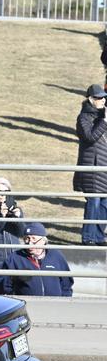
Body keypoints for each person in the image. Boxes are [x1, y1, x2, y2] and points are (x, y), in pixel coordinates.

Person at [0, 223, 73, 297]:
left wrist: (64, 300)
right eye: (27, 239)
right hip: (28, 305)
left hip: (55, 305)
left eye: (34, 239)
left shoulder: (56, 255)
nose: (30, 243)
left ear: (43, 241)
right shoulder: (15, 258)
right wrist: (13, 278)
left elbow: (66, 284)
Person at [73, 84, 107, 246]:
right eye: (99, 98)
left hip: (104, 168)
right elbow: (90, 137)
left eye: (104, 97)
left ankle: (99, 237)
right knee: (93, 204)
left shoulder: (103, 116)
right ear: (90, 99)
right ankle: (88, 238)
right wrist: (105, 121)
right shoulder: (83, 118)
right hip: (92, 168)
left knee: (104, 205)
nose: (102, 100)